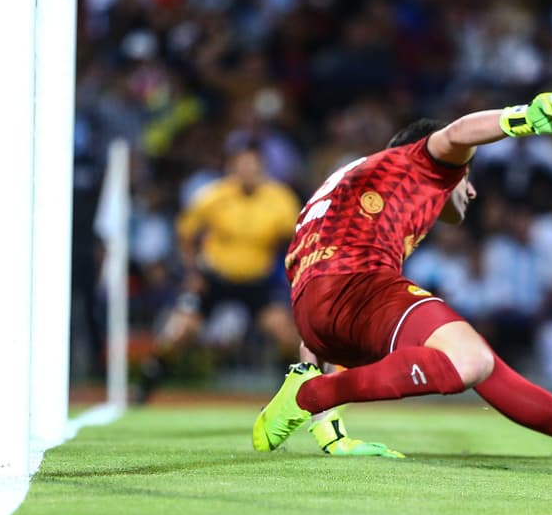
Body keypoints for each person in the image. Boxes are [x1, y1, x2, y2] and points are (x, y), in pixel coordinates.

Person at [251, 92, 552, 468]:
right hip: (358, 289)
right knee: (470, 360)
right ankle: (313, 394)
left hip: (316, 319)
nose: (470, 191)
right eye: (465, 175)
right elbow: (457, 133)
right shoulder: (415, 163)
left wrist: (330, 434)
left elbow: (318, 315)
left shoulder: (346, 186)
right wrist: (526, 118)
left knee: (485, 365)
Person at [143, 139, 398, 456]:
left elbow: (300, 237)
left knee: (286, 335)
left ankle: (285, 399)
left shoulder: (279, 199)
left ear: (261, 168)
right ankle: (146, 383)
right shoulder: (213, 196)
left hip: (257, 282)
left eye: (253, 166)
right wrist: (192, 271)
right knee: (179, 331)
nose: (247, 172)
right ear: (232, 168)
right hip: (215, 279)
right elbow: (185, 232)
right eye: (241, 166)